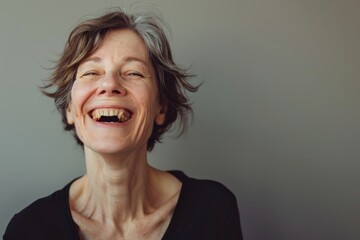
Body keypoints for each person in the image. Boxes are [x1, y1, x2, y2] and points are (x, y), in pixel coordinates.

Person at [4, 8, 243, 240]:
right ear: (69, 108)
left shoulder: (213, 211)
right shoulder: (29, 230)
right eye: (91, 72)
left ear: (161, 107)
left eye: (133, 73)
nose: (110, 84)